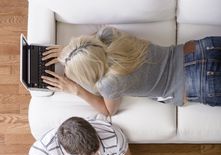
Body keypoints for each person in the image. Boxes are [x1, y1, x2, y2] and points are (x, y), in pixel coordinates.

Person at [41, 26, 221, 116]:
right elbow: (96, 41)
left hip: (198, 83)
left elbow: (108, 111)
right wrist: (72, 51)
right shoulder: (109, 35)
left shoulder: (108, 83)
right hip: (202, 49)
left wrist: (75, 89)